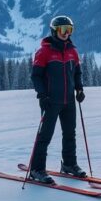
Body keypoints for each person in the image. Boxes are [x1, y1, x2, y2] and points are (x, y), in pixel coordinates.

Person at [29, 15, 86, 184]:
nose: (66, 33)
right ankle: (37, 169)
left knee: (70, 134)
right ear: (55, 31)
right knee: (45, 135)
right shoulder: (44, 52)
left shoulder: (72, 51)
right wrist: (42, 94)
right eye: (63, 29)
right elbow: (36, 76)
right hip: (50, 100)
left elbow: (77, 72)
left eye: (70, 29)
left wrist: (79, 89)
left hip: (68, 100)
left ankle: (69, 164)